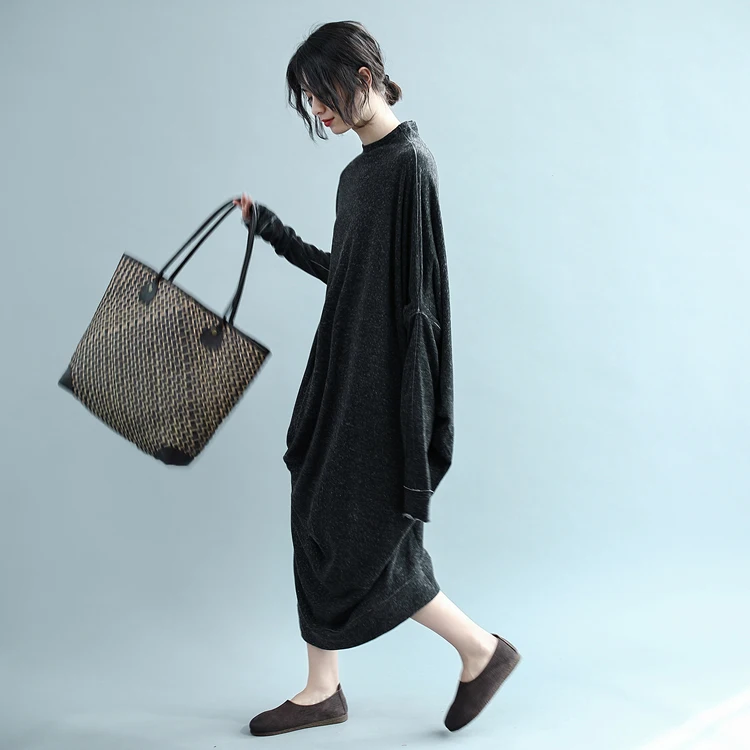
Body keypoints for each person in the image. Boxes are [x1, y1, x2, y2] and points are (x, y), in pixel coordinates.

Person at [234, 20, 521, 737]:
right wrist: (275, 233)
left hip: (380, 389)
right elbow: (351, 278)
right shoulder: (358, 174)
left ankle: (479, 650)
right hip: (341, 376)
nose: (317, 112)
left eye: (322, 93)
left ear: (363, 77)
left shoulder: (409, 166)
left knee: (369, 537)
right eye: (308, 101)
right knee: (317, 517)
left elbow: (421, 306)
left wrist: (412, 415)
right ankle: (324, 686)